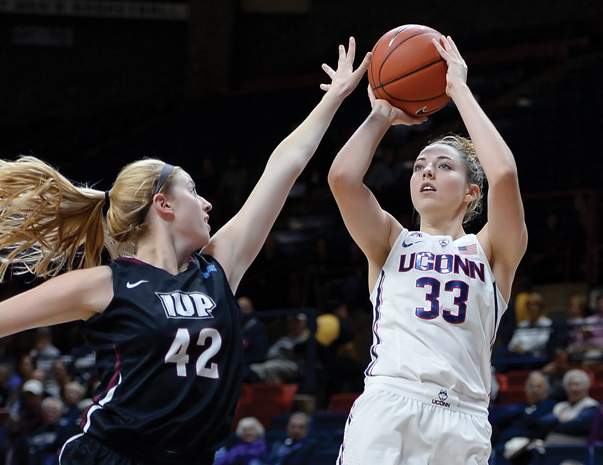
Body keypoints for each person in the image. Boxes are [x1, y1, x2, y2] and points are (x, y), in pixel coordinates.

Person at [0, 37, 372, 465]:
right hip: (111, 455)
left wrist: (337, 98)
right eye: (194, 192)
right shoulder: (106, 284)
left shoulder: (218, 267)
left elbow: (283, 168)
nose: (208, 203)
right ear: (164, 204)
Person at [327, 35, 527, 465]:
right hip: (392, 402)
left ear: (472, 192)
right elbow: (343, 179)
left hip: (466, 417)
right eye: (419, 166)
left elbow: (505, 174)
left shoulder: (491, 251)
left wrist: (459, 90)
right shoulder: (389, 240)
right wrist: (381, 115)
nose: (426, 172)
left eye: (443, 165)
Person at [490, 371, 556, 447]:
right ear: (525, 389)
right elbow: (499, 418)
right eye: (531, 386)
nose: (534, 390)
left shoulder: (550, 405)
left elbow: (536, 423)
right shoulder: (520, 407)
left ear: (546, 390)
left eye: (539, 387)